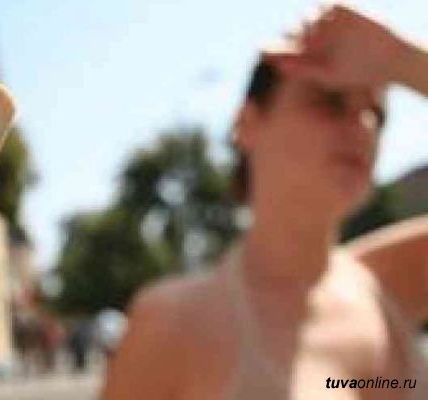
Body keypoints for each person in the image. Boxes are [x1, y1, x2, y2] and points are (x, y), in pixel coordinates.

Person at [103, 4, 428, 400]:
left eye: (377, 113)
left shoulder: (389, 284)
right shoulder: (174, 322)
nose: (363, 125)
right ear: (247, 123)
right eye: (331, 99)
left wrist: (405, 63)